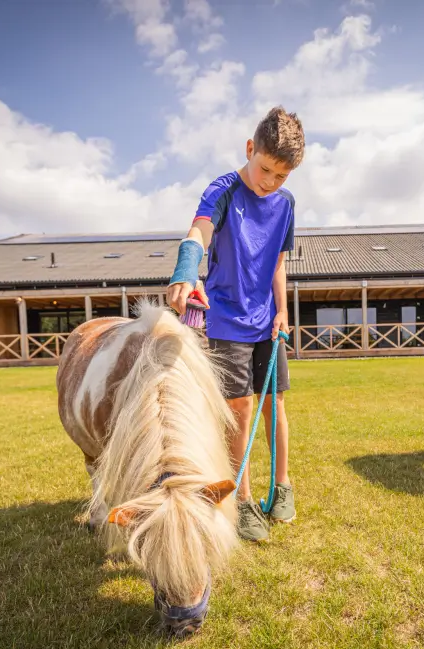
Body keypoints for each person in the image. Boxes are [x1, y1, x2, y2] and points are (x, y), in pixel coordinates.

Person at [167, 106, 305, 541]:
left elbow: (279, 263)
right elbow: (199, 232)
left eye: (281, 176)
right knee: (240, 409)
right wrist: (186, 271)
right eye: (265, 169)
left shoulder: (285, 204)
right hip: (226, 319)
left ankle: (282, 488)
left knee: (274, 404)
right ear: (250, 150)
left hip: (268, 322)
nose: (270, 182)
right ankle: (242, 501)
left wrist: (282, 311)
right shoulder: (223, 189)